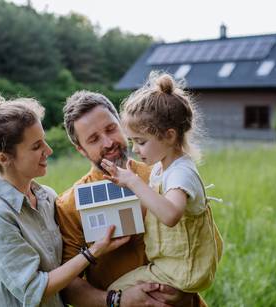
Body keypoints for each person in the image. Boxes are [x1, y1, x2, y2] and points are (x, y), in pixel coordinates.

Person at [0, 94, 128, 307]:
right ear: (4, 158)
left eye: (44, 141)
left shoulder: (48, 197)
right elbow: (34, 290)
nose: (48, 151)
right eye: (36, 147)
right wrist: (93, 252)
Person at [56, 90, 206, 306]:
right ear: (81, 149)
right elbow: (68, 285)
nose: (108, 143)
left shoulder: (162, 172)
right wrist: (118, 299)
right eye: (94, 139)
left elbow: (197, 236)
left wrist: (185, 291)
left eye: (111, 129)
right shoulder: (69, 205)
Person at [101, 73, 223, 297]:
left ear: (169, 136)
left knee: (114, 292)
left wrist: (134, 181)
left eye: (141, 142)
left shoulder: (180, 173)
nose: (136, 149)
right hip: (170, 266)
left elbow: (170, 215)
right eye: (133, 142)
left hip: (182, 271)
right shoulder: (162, 167)